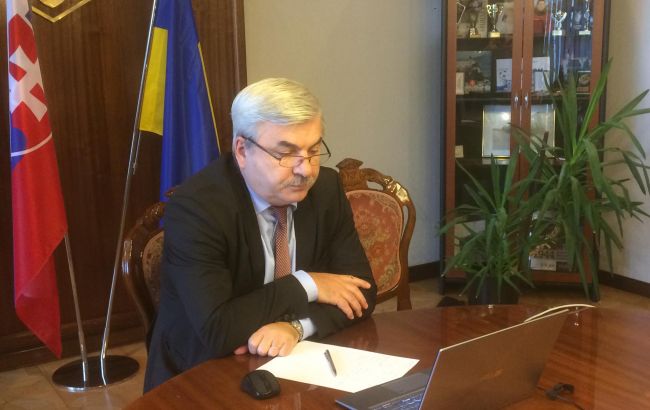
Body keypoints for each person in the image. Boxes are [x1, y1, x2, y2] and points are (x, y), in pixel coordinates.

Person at [143, 78, 377, 391]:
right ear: (242, 150)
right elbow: (218, 329)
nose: (306, 170)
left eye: (313, 150)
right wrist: (308, 284)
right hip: (199, 373)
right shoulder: (197, 208)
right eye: (286, 153)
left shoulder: (326, 190)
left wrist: (295, 327)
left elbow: (361, 293)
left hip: (294, 362)